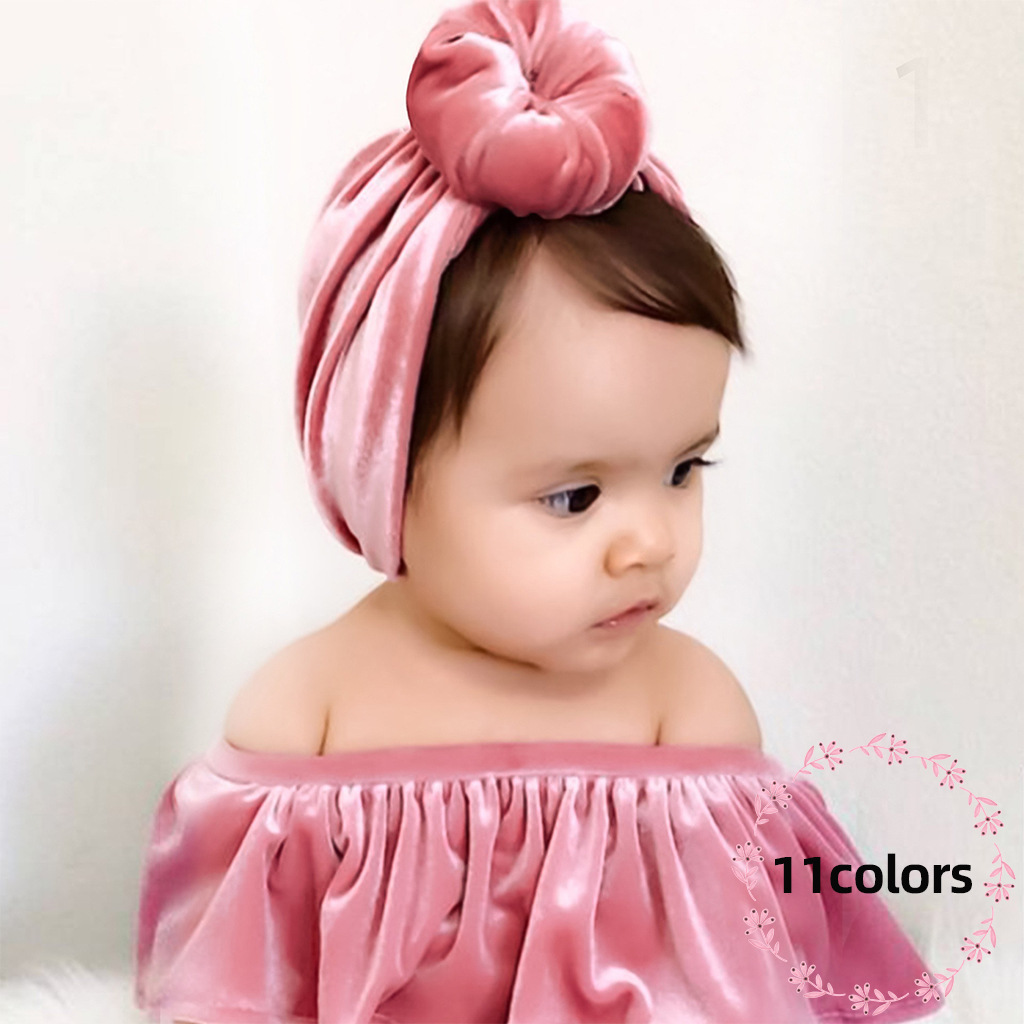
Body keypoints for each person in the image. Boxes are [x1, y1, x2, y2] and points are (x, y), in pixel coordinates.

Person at [134, 2, 940, 1021]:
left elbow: (739, 984)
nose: (649, 542)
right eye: (575, 496)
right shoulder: (311, 711)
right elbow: (238, 979)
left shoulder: (682, 711)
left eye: (683, 469)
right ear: (385, 474)